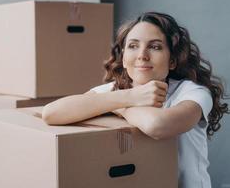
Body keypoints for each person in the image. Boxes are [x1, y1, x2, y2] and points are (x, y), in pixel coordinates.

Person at [42, 12, 229, 188]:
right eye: (133, 46)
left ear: (172, 60)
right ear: (123, 58)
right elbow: (51, 113)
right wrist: (130, 96)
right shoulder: (116, 91)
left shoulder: (193, 93)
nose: (142, 55)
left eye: (155, 46)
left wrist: (118, 106)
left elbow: (158, 126)